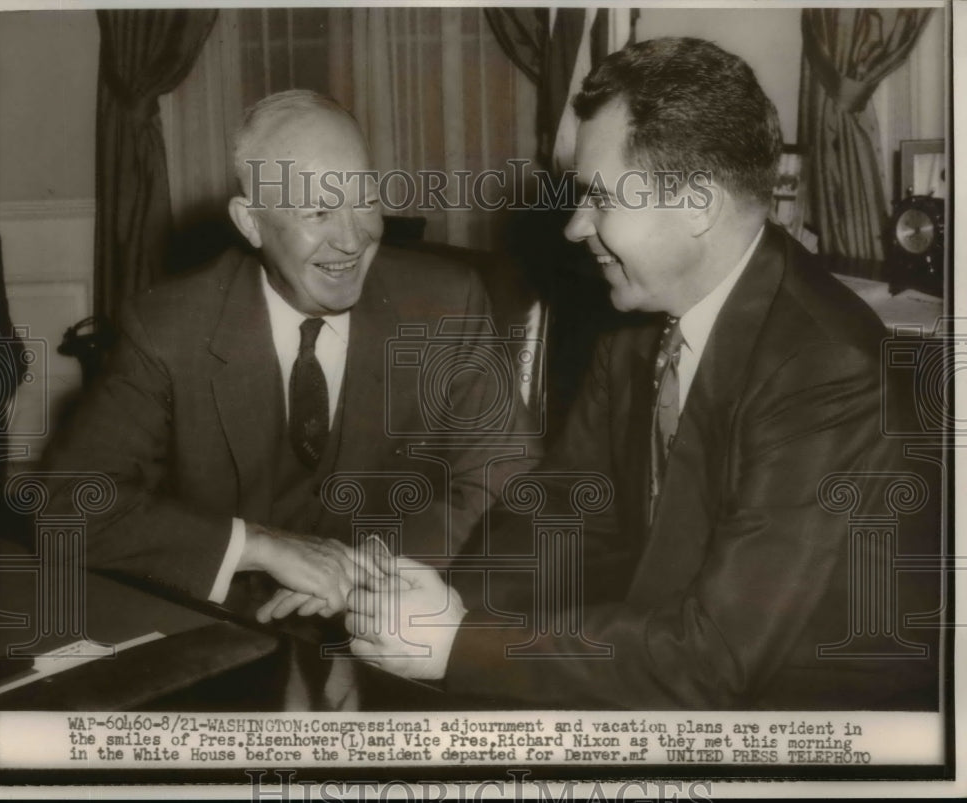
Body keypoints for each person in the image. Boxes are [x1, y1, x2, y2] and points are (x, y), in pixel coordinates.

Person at [346, 38, 938, 709]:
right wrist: (441, 607)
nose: (575, 227)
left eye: (600, 197)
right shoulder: (635, 314)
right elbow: (564, 512)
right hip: (669, 674)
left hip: (816, 722)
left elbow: (713, 657)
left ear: (697, 204)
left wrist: (457, 644)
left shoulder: (827, 368)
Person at [42, 90, 536, 697]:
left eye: (365, 202)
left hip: (400, 632)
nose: (353, 239)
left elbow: (505, 481)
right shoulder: (169, 327)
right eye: (318, 214)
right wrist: (261, 546)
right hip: (230, 639)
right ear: (251, 222)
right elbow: (67, 503)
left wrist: (360, 572)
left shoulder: (447, 302)